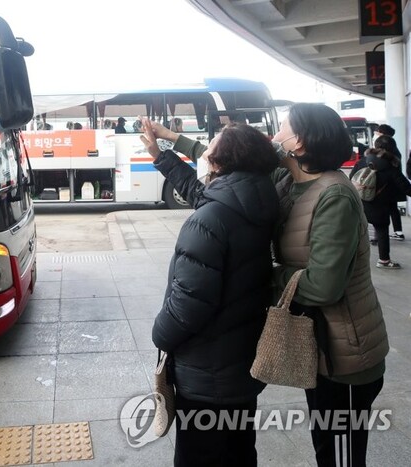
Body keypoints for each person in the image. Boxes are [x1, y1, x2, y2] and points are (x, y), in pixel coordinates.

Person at [148, 103, 389, 467]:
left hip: (347, 353)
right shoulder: (287, 181)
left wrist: (254, 277)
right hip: (318, 344)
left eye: (283, 129)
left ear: (301, 143)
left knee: (341, 456)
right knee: (326, 447)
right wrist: (168, 143)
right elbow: (232, 159)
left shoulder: (333, 195)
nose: (274, 137)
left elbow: (324, 286)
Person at [141, 119, 279, 467]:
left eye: (211, 146)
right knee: (238, 451)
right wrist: (161, 155)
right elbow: (202, 194)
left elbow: (189, 305)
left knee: (199, 456)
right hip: (240, 363)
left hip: (208, 372)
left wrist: (160, 334)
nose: (206, 151)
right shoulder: (258, 199)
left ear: (220, 162)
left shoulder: (209, 220)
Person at [350, 135, 411, 268]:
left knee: (357, 231)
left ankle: (350, 259)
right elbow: (405, 187)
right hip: (380, 207)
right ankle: (384, 260)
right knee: (382, 230)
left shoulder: (363, 161)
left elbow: (351, 177)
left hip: (361, 203)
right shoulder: (390, 166)